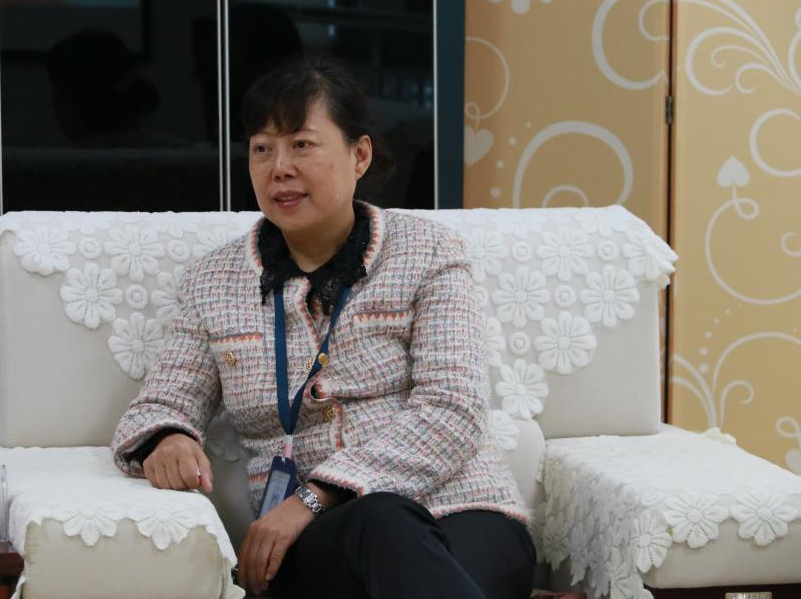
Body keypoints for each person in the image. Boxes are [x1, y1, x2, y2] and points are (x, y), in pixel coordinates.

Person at [111, 55, 535, 598]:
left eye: (301, 144)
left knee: (400, 541)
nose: (279, 168)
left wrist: (315, 496)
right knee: (381, 522)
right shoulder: (213, 282)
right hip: (323, 543)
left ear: (360, 155)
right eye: (262, 149)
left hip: (463, 508)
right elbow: (158, 406)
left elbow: (454, 409)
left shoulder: (430, 253)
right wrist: (169, 438)